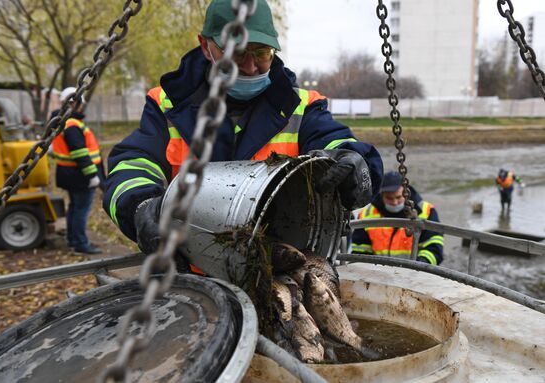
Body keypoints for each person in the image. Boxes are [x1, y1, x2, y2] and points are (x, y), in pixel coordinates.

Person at [102, 0, 383, 264]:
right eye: (237, 53)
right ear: (205, 45)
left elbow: (337, 142)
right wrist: (139, 208)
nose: (250, 67)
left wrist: (355, 161)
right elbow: (134, 163)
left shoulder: (302, 106)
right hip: (190, 273)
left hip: (284, 271)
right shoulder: (166, 105)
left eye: (262, 53)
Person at [52, 87, 105, 254]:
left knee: (74, 208)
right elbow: (79, 152)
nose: (82, 106)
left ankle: (73, 241)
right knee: (81, 209)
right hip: (80, 175)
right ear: (75, 103)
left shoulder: (63, 122)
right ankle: (80, 244)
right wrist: (92, 175)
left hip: (69, 174)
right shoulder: (73, 125)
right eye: (80, 103)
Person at [351, 171, 444, 265]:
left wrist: (420, 264)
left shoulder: (427, 211)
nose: (395, 202)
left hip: (416, 274)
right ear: (381, 195)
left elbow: (434, 247)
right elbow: (360, 250)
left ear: (406, 192)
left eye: (398, 197)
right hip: (379, 274)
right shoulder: (366, 214)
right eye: (389, 198)